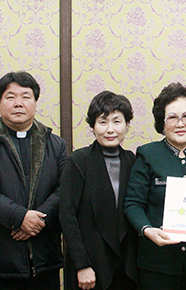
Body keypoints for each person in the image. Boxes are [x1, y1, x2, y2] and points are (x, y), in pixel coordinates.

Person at [0, 71, 68, 289]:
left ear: (35, 102)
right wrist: (19, 217)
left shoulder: (56, 145)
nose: (18, 103)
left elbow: (65, 189)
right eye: (10, 97)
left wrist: (37, 221)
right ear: (0, 102)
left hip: (44, 258)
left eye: (26, 96)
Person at [124, 83, 186, 290]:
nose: (180, 124)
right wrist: (148, 230)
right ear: (162, 123)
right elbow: (133, 204)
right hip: (157, 263)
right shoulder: (148, 154)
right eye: (172, 118)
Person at [60, 91, 138, 290]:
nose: (110, 129)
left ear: (127, 125)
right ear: (93, 127)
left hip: (126, 266)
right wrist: (82, 264)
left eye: (117, 121)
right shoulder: (79, 161)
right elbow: (67, 216)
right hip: (90, 266)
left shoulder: (133, 160)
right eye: (103, 122)